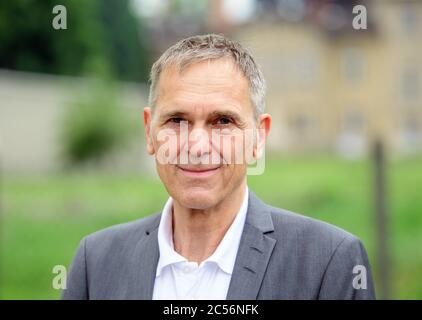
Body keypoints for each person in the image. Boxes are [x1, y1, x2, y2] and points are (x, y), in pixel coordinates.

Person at [62, 34, 375, 300]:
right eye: (177, 120)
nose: (197, 147)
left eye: (223, 121)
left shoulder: (329, 263)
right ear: (149, 131)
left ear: (258, 137)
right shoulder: (96, 263)